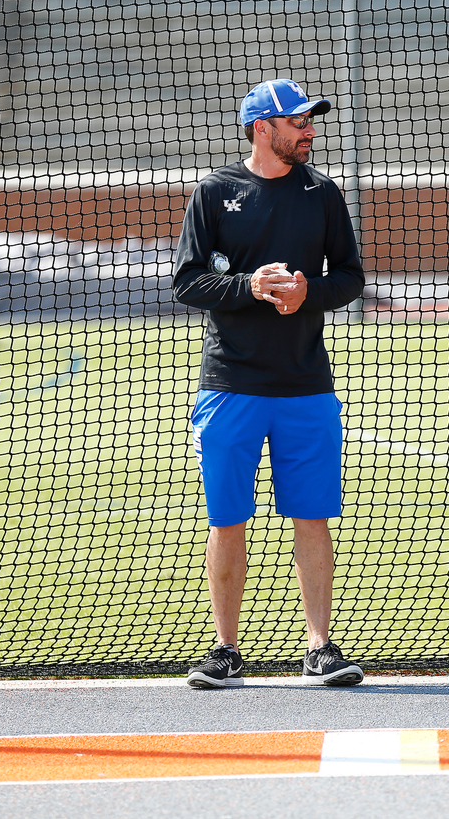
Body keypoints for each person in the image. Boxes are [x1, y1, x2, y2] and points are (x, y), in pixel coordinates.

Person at [172, 79, 366, 688]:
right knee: (227, 518)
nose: (310, 130)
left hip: (307, 385)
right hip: (229, 385)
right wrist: (250, 286)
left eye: (310, 120)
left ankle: (319, 647)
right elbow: (187, 282)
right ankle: (226, 650)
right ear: (263, 128)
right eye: (299, 121)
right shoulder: (214, 192)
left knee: (312, 516)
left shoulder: (322, 193)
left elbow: (351, 277)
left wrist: (311, 292)